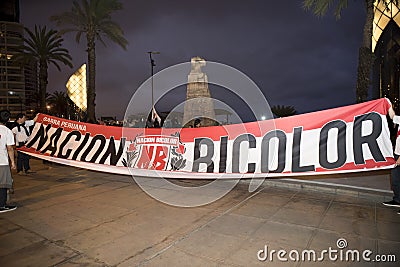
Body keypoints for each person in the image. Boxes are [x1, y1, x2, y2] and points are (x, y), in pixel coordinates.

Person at [0, 110, 17, 213]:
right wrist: (13, 162)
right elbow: (10, 148)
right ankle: (2, 205)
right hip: (2, 161)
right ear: (8, 119)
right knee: (3, 184)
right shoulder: (7, 131)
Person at [385, 105, 400, 214]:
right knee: (395, 180)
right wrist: (388, 104)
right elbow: (393, 116)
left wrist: (399, 159)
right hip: (397, 153)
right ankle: (397, 199)